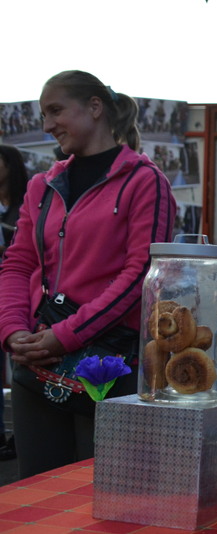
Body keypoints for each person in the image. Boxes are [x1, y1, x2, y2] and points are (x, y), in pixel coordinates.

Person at [0, 70, 176, 478]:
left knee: (102, 496)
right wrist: (12, 332)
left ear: (95, 107)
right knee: (36, 496)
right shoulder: (41, 186)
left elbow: (141, 274)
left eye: (55, 110)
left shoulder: (145, 181)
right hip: (36, 365)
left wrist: (66, 334)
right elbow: (18, 263)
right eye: (44, 115)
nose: (48, 125)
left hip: (111, 371)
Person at [0, 145, 29, 461]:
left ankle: (19, 438)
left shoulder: (26, 202)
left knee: (18, 363)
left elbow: (22, 258)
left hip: (16, 298)